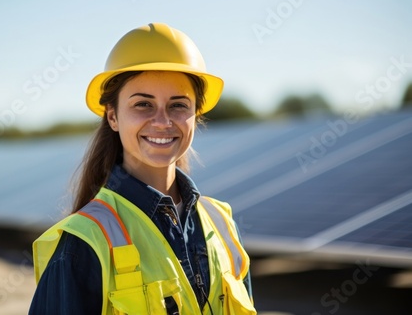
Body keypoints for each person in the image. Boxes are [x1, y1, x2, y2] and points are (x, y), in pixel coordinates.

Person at [29, 22, 257, 315]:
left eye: (178, 105)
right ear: (112, 116)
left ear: (195, 114)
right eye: (143, 105)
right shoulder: (84, 243)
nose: (163, 122)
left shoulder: (222, 225)